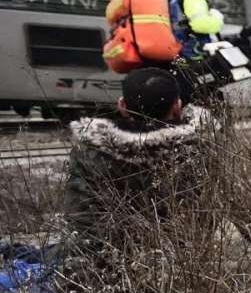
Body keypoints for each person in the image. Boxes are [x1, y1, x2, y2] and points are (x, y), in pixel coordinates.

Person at [61, 67, 212, 261]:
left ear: (122, 105)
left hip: (109, 259)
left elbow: (81, 218)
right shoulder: (200, 146)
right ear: (177, 105)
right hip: (184, 258)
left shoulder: (91, 150)